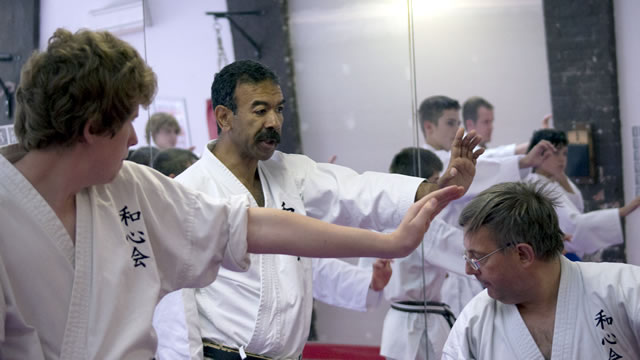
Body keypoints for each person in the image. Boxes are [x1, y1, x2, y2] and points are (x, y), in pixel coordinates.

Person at [0, 28, 467, 359]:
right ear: (91, 129)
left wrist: (400, 231)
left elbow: (256, 224)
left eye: (278, 109)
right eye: (126, 122)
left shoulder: (130, 188)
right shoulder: (13, 219)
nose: (134, 140)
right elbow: (176, 315)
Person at [152, 60, 483, 359]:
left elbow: (356, 191)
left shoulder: (290, 172)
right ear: (224, 117)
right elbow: (176, 312)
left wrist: (435, 189)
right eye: (260, 110)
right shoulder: (187, 193)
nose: (274, 121)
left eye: (279, 109)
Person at [442, 181, 640, 359]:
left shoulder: (625, 289)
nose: (469, 269)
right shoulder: (474, 323)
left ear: (523, 254)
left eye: (477, 258)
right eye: (467, 257)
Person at [419, 95, 556, 316]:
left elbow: (488, 157)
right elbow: (480, 165)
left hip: (459, 259)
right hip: (445, 265)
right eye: (450, 123)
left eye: (458, 122)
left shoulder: (444, 157)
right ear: (429, 127)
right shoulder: (426, 161)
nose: (456, 129)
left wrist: (524, 154)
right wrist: (524, 159)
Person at [360, 147, 474, 360]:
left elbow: (366, 277)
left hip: (397, 325)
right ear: (418, 185)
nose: (440, 188)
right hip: (422, 327)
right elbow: (471, 253)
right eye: (435, 181)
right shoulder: (424, 224)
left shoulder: (379, 219)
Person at [523, 128, 640, 256]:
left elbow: (577, 207)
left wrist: (562, 178)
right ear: (539, 154)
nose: (562, 159)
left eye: (565, 153)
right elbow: (573, 226)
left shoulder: (552, 181)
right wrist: (622, 212)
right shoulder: (537, 186)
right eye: (556, 153)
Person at [462, 96, 528, 157]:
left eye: (491, 122)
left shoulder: (483, 148)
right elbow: (487, 159)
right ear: (470, 125)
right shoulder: (462, 152)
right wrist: (524, 148)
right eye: (486, 122)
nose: (491, 127)